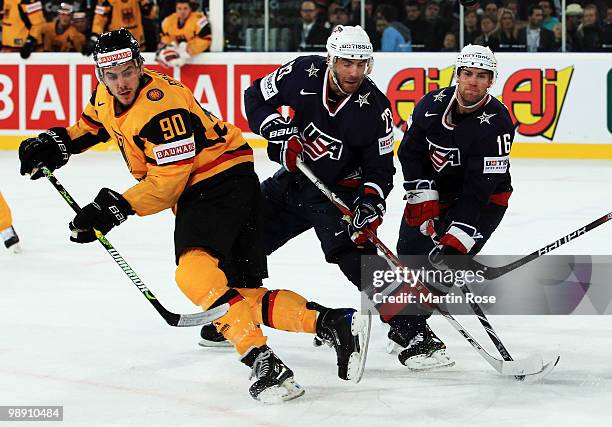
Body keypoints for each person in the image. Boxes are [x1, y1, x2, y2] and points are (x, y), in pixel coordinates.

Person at [18, 28, 369, 403]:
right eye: (111, 74)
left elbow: (169, 183)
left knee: (193, 273)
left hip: (217, 184)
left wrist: (113, 208)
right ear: (100, 75)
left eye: (127, 71)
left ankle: (262, 360)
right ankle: (335, 322)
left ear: (140, 65)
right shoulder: (107, 92)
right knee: (238, 294)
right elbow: (92, 125)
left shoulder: (163, 108)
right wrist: (57, 144)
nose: (120, 82)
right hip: (231, 183)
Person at [201, 24, 438, 371]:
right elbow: (255, 96)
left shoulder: (375, 109)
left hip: (338, 193)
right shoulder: (302, 72)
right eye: (346, 63)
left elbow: (380, 168)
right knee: (243, 239)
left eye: (361, 64)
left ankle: (417, 334)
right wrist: (273, 128)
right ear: (330, 59)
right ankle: (237, 317)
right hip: (294, 181)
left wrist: (370, 202)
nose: (354, 72)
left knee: (361, 262)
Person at [396, 44, 515, 367]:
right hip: (436, 190)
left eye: (481, 76)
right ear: (457, 74)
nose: (472, 82)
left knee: (441, 269)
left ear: (491, 81)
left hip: (484, 201)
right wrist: (424, 199)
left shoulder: (498, 123)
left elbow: (479, 190)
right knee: (405, 256)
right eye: (467, 74)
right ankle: (404, 326)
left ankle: (412, 331)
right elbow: (409, 153)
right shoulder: (430, 105)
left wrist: (456, 237)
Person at [82, 0, 157, 56]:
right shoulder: (105, 1)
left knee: (138, 67)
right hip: (116, 42)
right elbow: (100, 17)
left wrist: (149, 6)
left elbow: (152, 14)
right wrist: (94, 36)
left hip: (137, 41)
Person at [155, 0, 211, 68]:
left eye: (185, 8)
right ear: (175, 9)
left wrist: (190, 49)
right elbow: (165, 38)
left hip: (198, 57)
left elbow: (206, 39)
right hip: (177, 53)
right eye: (179, 9)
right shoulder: (168, 21)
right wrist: (170, 48)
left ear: (190, 9)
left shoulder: (199, 19)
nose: (182, 12)